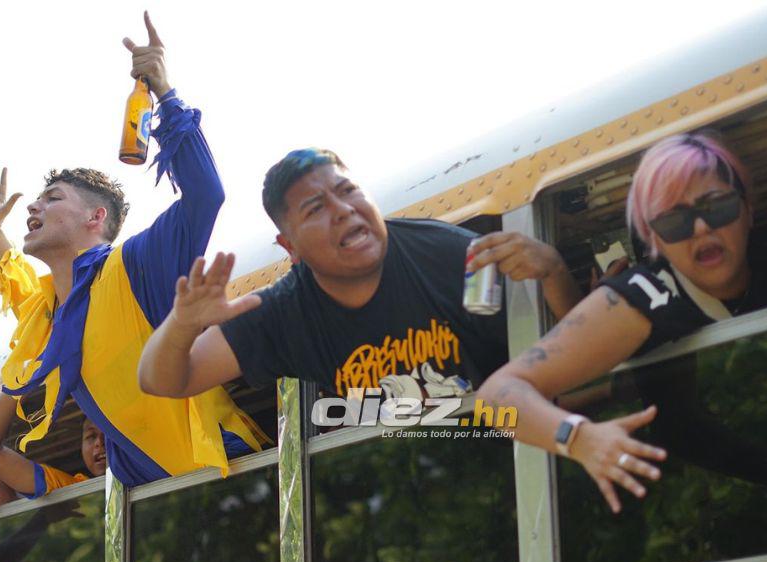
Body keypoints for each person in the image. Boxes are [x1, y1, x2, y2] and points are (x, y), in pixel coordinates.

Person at [0, 13, 266, 488]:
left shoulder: (135, 265)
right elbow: (17, 281)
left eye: (53, 198)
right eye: (37, 200)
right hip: (151, 501)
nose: (34, 206)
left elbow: (205, 196)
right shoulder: (48, 314)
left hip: (226, 477)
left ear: (96, 218)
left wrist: (165, 92)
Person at [476, 132, 767, 514]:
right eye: (674, 221)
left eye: (717, 207)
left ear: (748, 210)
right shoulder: (643, 296)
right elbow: (494, 399)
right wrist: (578, 438)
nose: (700, 229)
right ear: (654, 238)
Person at [137, 147, 582, 403]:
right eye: (316, 208)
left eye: (348, 191)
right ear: (289, 249)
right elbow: (162, 381)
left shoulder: (447, 254)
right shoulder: (281, 312)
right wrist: (182, 324)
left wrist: (554, 272)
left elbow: (576, 352)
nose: (343, 210)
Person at [0, 393, 107, 501]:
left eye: (108, 433)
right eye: (90, 436)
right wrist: (26, 375)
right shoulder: (74, 487)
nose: (99, 443)